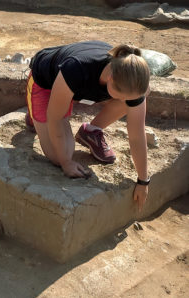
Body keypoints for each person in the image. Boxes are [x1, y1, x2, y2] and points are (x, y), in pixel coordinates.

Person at [25, 40, 151, 211]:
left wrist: (143, 180)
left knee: (132, 102)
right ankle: (34, 116)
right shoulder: (76, 69)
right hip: (46, 82)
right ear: (111, 78)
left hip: (74, 88)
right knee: (57, 155)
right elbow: (54, 117)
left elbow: (137, 135)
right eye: (121, 96)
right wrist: (65, 162)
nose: (125, 102)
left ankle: (90, 131)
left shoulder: (132, 80)